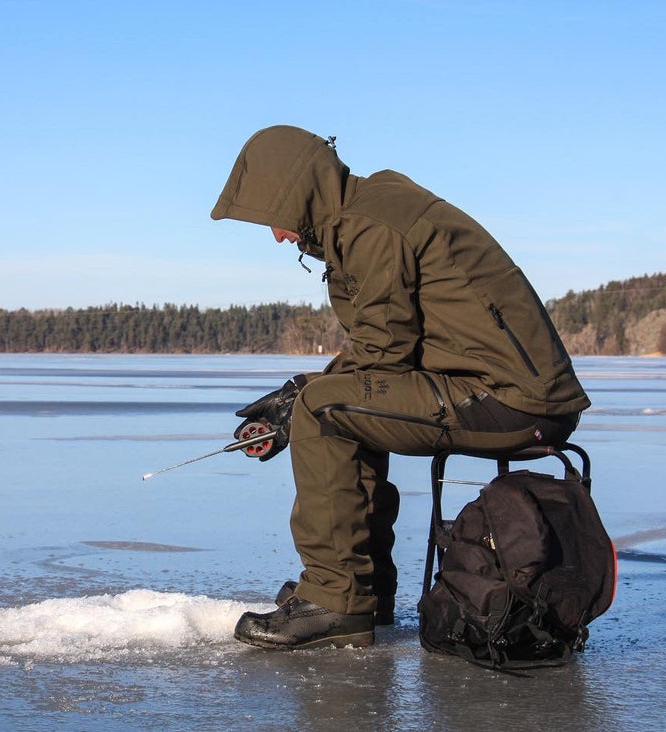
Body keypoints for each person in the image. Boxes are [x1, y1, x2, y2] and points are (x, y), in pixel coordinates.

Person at [210, 125, 590, 650]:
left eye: (273, 217)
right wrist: (304, 388)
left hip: (511, 398)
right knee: (336, 405)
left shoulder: (371, 225)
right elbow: (379, 352)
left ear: (296, 193)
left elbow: (384, 350)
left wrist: (304, 396)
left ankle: (336, 600)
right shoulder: (364, 214)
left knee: (323, 409)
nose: (277, 236)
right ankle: (362, 592)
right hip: (494, 387)